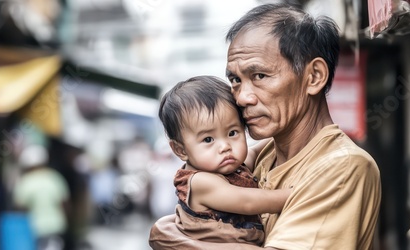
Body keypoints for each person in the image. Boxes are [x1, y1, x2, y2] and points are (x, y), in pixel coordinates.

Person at [149, 3, 381, 250]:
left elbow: (174, 231)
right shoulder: (261, 156)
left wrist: (172, 240)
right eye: (235, 80)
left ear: (313, 77)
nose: (241, 97)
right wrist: (165, 230)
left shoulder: (342, 167)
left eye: (259, 76)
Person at [157, 75, 290, 245]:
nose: (225, 146)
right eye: (208, 140)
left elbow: (256, 151)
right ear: (180, 150)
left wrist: (281, 134)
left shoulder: (230, 166)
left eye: (232, 133)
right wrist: (296, 194)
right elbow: (248, 202)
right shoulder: (200, 182)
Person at [13, 144, 70, 250]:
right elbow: (65, 203)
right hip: (56, 226)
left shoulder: (25, 182)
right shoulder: (55, 177)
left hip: (34, 228)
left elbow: (19, 208)